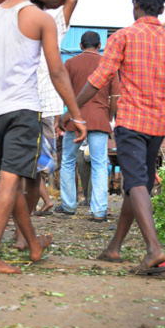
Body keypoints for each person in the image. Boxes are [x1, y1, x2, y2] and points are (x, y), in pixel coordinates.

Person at [62, 0, 165, 274]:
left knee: (135, 184)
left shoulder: (124, 37)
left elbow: (98, 80)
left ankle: (154, 249)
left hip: (132, 124)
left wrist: (71, 111)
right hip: (157, 126)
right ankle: (114, 248)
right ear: (161, 7)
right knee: (136, 184)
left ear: (135, 5)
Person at [0, 0, 87, 274]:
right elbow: (57, 72)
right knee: (11, 182)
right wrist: (77, 115)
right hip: (23, 110)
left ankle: (33, 243)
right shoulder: (40, 19)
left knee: (14, 179)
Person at [59, 31, 120, 222]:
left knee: (68, 161)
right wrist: (108, 117)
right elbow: (115, 98)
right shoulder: (108, 65)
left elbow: (63, 91)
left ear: (80, 44)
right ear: (100, 44)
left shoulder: (70, 63)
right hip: (99, 117)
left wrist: (65, 114)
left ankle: (69, 205)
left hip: (74, 119)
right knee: (100, 163)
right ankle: (99, 211)